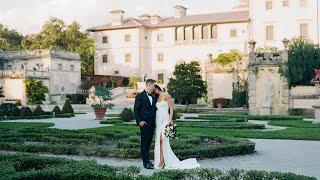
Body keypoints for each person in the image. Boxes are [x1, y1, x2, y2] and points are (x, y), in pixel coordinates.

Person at [153, 84, 200, 169]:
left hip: (166, 119)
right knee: (159, 141)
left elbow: (171, 108)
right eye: (153, 90)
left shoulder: (166, 95)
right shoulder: (155, 98)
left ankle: (163, 160)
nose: (154, 91)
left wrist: (170, 119)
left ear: (157, 88)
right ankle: (161, 159)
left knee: (163, 139)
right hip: (158, 119)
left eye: (155, 89)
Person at [134, 79, 157, 169]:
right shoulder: (140, 96)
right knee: (144, 143)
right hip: (145, 124)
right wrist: (140, 122)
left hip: (152, 124)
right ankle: (145, 162)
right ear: (148, 85)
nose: (154, 88)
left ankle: (147, 160)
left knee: (149, 143)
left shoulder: (154, 96)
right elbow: (136, 110)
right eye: (153, 86)